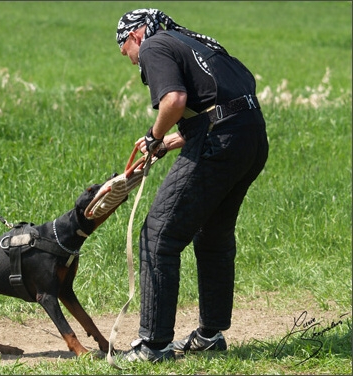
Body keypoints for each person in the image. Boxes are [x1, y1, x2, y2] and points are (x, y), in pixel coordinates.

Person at [115, 8, 269, 362]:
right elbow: (223, 104)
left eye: (126, 52)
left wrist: (154, 137)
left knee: (158, 235)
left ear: (136, 36)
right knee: (212, 233)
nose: (131, 60)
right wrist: (170, 141)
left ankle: (153, 346)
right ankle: (210, 335)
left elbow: (175, 100)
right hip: (251, 138)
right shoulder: (193, 41)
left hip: (220, 142)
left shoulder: (154, 46)